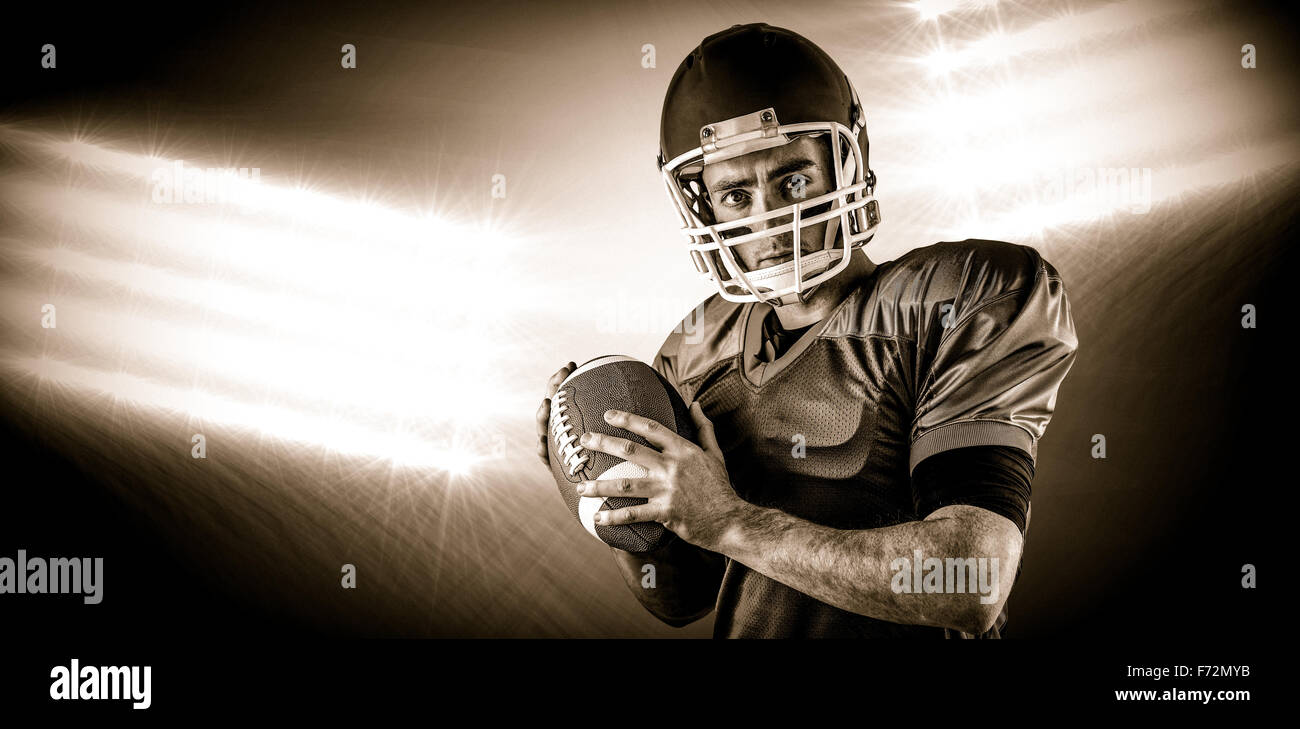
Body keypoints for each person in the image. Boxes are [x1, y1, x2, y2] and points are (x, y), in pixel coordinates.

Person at [535, 23, 1078, 638]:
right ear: (702, 206)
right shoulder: (692, 352)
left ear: (845, 165)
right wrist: (619, 509)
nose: (769, 222)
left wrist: (731, 522)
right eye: (736, 195)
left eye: (792, 181)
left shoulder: (956, 298)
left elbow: (969, 582)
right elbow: (681, 599)